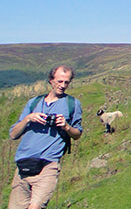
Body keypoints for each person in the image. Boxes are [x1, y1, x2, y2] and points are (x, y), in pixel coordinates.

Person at [8, 65, 83, 209]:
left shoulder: (72, 104)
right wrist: (29, 118)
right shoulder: (34, 103)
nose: (63, 86)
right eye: (59, 81)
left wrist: (66, 126)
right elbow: (13, 134)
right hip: (23, 163)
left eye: (66, 82)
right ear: (50, 80)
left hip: (48, 165)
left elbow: (77, 134)